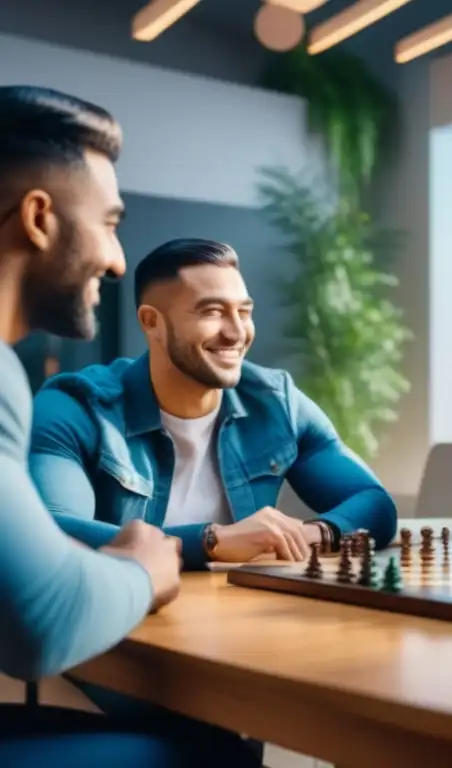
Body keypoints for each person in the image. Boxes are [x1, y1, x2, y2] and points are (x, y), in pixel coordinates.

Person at [0, 86, 260, 766]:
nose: (118, 262)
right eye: (110, 223)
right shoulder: (33, 388)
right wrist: (147, 567)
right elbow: (41, 626)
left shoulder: (276, 399)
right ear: (38, 218)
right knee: (216, 755)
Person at [29, 237, 398, 571]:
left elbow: (373, 502)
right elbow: (51, 529)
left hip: (232, 618)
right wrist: (212, 540)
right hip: (121, 623)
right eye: (212, 312)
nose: (237, 332)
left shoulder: (276, 402)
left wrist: (311, 534)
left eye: (244, 311)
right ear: (151, 322)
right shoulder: (75, 406)